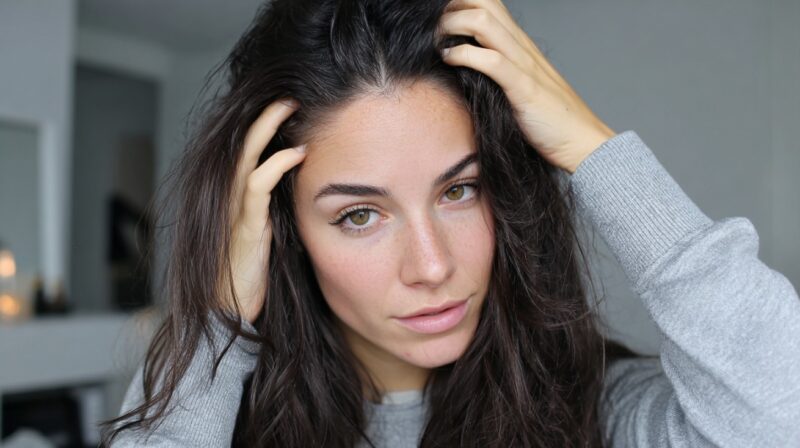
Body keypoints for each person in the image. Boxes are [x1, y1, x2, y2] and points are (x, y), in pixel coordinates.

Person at [101, 0, 800, 446]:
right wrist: (219, 328)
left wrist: (595, 151)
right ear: (282, 237)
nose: (432, 266)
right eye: (361, 214)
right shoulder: (219, 418)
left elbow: (781, 415)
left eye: (460, 190)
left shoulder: (601, 414)